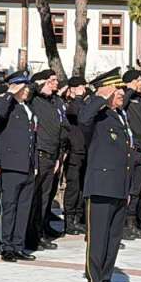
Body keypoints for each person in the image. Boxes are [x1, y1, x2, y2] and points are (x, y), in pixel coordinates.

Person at [78, 70, 131, 282]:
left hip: (119, 186)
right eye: (117, 89)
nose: (122, 93)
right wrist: (99, 96)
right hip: (100, 186)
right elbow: (83, 118)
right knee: (98, 240)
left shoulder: (120, 116)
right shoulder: (96, 115)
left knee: (112, 240)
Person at [0, 71, 38, 262]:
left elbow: (33, 138)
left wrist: (34, 162)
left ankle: (18, 245)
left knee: (23, 207)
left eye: (27, 87)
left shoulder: (28, 109)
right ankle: (6, 245)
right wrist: (10, 93)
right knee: (9, 206)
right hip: (11, 165)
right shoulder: (6, 104)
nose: (26, 90)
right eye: (22, 87)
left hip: (27, 165)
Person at [27, 69, 66, 251]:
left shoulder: (56, 101)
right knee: (35, 197)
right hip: (40, 153)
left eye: (55, 80)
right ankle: (31, 235)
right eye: (50, 81)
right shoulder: (34, 99)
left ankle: (40, 230)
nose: (54, 83)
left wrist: (60, 155)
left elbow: (62, 128)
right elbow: (27, 91)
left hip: (53, 155)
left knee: (44, 198)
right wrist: (37, 85)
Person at [120, 70, 141, 241]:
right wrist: (129, 89)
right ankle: (124, 225)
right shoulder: (126, 96)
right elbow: (120, 106)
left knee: (136, 190)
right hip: (129, 150)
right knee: (128, 190)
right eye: (138, 80)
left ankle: (132, 224)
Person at [60, 77, 89, 235]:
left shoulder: (83, 102)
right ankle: (69, 220)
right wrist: (77, 96)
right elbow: (76, 112)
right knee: (73, 187)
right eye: (81, 87)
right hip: (73, 152)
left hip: (84, 150)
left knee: (81, 187)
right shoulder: (69, 104)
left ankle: (78, 218)